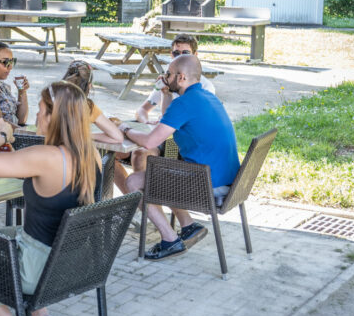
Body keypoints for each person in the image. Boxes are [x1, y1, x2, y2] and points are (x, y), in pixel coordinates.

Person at [0, 81, 100, 316]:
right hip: (74, 262)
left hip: (39, 267)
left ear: (55, 117)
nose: (36, 116)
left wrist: (3, 135)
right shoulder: (91, 153)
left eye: (41, 110)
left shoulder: (45, 157)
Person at [118, 55, 239, 260]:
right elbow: (170, 118)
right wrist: (165, 92)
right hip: (227, 179)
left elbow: (149, 142)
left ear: (181, 77)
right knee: (160, 173)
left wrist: (125, 128)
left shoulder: (184, 103)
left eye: (168, 74)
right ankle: (188, 226)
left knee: (133, 182)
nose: (165, 77)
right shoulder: (207, 97)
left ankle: (170, 240)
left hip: (207, 183)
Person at [113, 34, 215, 195]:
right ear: (171, 55)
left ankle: (145, 204)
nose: (180, 57)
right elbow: (142, 110)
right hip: (161, 136)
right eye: (176, 53)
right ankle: (135, 202)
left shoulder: (203, 87)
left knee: (140, 153)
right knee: (112, 154)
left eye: (185, 53)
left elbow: (180, 122)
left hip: (178, 146)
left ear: (195, 56)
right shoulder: (169, 81)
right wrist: (147, 122)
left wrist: (125, 128)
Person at [61, 60, 124, 145]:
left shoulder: (49, 98)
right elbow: (117, 137)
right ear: (89, 86)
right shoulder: (88, 107)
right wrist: (86, 135)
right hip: (71, 154)